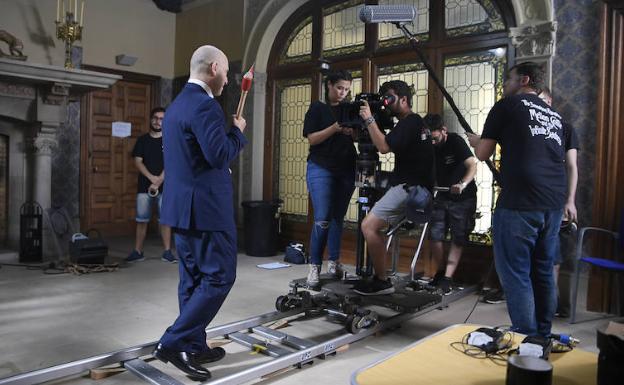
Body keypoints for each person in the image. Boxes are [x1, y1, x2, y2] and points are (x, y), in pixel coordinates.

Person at [152, 45, 247, 381]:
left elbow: (196, 157)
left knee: (191, 279)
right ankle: (172, 342)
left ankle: (192, 344)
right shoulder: (206, 106)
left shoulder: (177, 105)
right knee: (220, 276)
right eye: (225, 73)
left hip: (180, 207)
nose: (228, 80)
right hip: (206, 210)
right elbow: (219, 155)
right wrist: (237, 131)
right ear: (214, 66)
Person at [467, 62, 566, 337]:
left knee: (515, 272)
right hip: (554, 201)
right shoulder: (554, 114)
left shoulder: (507, 105)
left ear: (523, 80)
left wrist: (477, 141)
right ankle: (543, 335)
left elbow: (483, 153)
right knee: (543, 270)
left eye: (508, 79)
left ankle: (525, 334)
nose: (505, 85)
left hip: (521, 200)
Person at [354, 80, 435, 296]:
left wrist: (369, 118)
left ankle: (382, 281)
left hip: (410, 188)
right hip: (415, 188)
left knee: (368, 226)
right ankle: (380, 277)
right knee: (372, 226)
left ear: (404, 99)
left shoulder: (410, 122)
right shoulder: (415, 123)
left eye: (390, 98)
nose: (386, 103)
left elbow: (382, 146)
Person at [303, 70, 356, 287]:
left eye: (346, 89)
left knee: (337, 217)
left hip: (346, 167)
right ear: (329, 85)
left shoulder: (350, 109)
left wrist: (354, 132)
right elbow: (312, 139)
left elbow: (361, 135)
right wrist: (334, 128)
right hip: (320, 167)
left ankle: (334, 262)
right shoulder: (318, 108)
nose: (343, 93)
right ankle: (314, 266)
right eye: (339, 88)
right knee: (323, 217)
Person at [424, 113, 478, 294]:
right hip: (441, 195)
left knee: (458, 237)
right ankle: (440, 272)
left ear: (444, 131)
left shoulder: (455, 142)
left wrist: (462, 184)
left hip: (463, 198)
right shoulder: (429, 145)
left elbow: (472, 164)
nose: (432, 142)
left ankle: (448, 277)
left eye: (435, 138)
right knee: (434, 235)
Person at [539, 86, 579, 318]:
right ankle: (541, 307)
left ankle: (550, 308)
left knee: (552, 259)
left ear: (550, 101)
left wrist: (570, 200)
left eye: (542, 101)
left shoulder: (566, 128)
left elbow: (572, 167)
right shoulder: (530, 128)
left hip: (556, 201)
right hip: (533, 200)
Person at [126, 107, 175, 263]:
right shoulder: (142, 140)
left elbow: (172, 163)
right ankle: (138, 251)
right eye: (155, 118)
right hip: (143, 187)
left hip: (165, 187)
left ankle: (167, 252)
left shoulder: (170, 140)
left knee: (165, 220)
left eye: (162, 119)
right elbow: (137, 161)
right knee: (141, 220)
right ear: (151, 119)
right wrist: (152, 178)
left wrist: (159, 180)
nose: (158, 121)